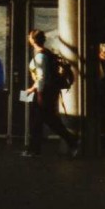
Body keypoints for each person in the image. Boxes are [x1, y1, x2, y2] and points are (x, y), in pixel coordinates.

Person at [23, 29, 79, 158]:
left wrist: (36, 92)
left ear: (32, 40)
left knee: (41, 121)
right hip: (45, 91)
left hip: (43, 93)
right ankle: (71, 141)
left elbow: (42, 78)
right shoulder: (45, 53)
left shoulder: (40, 56)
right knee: (46, 120)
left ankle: (34, 150)